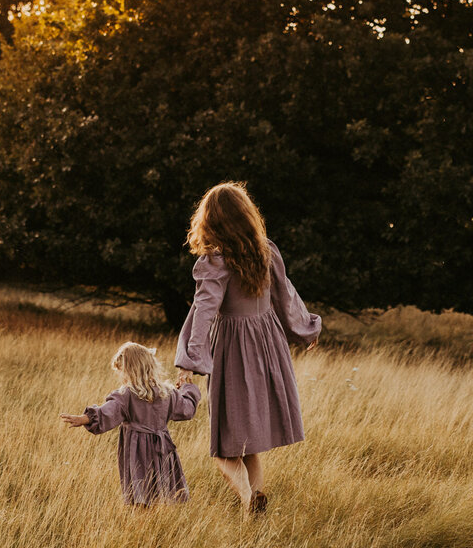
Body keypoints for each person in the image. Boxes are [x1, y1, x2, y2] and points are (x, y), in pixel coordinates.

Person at [174, 181, 321, 514]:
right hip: (268, 346)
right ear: (246, 216)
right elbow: (287, 298)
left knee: (224, 449)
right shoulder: (265, 250)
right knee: (248, 443)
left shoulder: (216, 261)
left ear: (210, 221)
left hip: (234, 351)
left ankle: (246, 496)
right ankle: (255, 503)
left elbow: (205, 310)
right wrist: (305, 328)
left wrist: (192, 360)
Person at [60, 341, 203, 506]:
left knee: (140, 490)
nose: (122, 377)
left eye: (123, 371)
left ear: (131, 370)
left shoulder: (126, 395)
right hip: (163, 449)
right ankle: (158, 521)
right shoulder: (167, 392)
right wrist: (187, 387)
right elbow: (187, 408)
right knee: (162, 490)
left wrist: (84, 418)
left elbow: (107, 412)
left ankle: (145, 521)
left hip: (138, 452)